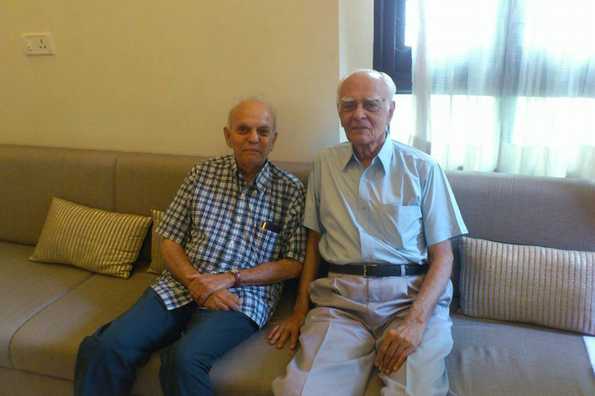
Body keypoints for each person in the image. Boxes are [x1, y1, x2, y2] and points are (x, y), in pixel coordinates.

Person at [74, 98, 306, 396]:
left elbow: (293, 262)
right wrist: (195, 283)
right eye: (243, 129)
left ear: (274, 139)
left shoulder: (291, 189)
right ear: (227, 135)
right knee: (106, 347)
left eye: (263, 131)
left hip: (242, 297)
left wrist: (232, 277)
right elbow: (169, 237)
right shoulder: (202, 174)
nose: (253, 138)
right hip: (181, 284)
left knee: (183, 361)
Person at [268, 70, 467, 396]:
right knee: (298, 392)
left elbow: (443, 256)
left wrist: (415, 322)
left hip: (409, 300)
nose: (358, 114)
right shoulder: (324, 164)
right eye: (349, 106)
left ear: (390, 110)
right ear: (339, 113)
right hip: (341, 305)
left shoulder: (422, 168)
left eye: (371, 105)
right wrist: (300, 311)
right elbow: (314, 242)